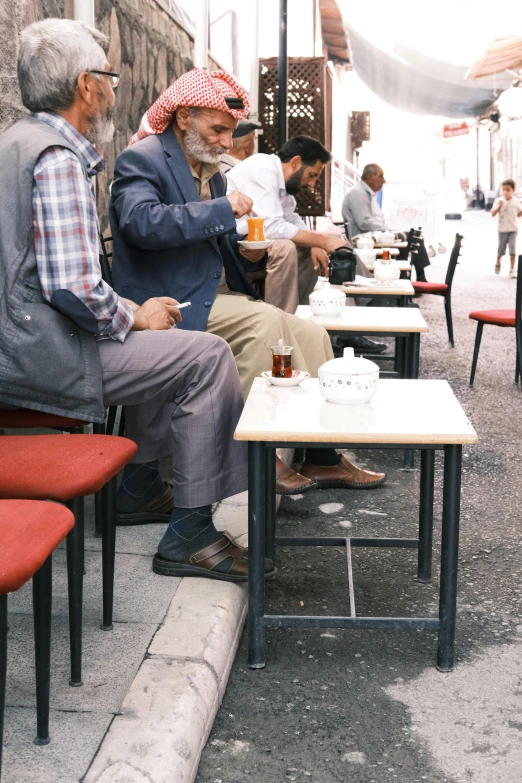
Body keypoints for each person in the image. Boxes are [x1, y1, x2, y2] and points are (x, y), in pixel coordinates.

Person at [0, 18, 271, 583]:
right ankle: (190, 531)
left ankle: (142, 486)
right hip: (39, 352)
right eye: (109, 79)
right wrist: (132, 315)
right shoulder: (58, 157)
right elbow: (73, 285)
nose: (114, 92)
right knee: (203, 356)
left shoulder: (16, 142)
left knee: (176, 340)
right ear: (86, 86)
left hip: (21, 339)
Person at [110, 71, 387, 496]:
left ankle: (321, 454)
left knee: (310, 333)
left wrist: (248, 250)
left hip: (211, 292)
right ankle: (257, 452)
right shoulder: (143, 158)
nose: (225, 142)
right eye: (217, 130)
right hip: (170, 299)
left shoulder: (210, 171)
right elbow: (140, 223)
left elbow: (217, 239)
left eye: (229, 132)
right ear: (184, 116)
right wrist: (222, 211)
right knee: (263, 326)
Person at [342, 163, 430, 282]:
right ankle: (408, 279)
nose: (383, 181)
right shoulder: (358, 193)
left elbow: (377, 220)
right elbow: (364, 223)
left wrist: (390, 230)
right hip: (363, 241)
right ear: (370, 177)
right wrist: (388, 230)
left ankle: (416, 277)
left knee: (414, 235)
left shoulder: (369, 194)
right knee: (409, 237)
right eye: (380, 176)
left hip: (374, 236)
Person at [491, 178, 522, 278]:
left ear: (513, 190)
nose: (505, 192)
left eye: (508, 190)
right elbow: (493, 213)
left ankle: (512, 269)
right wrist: (499, 206)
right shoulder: (498, 201)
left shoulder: (516, 202)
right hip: (502, 229)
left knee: (512, 250)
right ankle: (498, 262)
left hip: (513, 229)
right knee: (501, 249)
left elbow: (519, 213)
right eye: (503, 189)